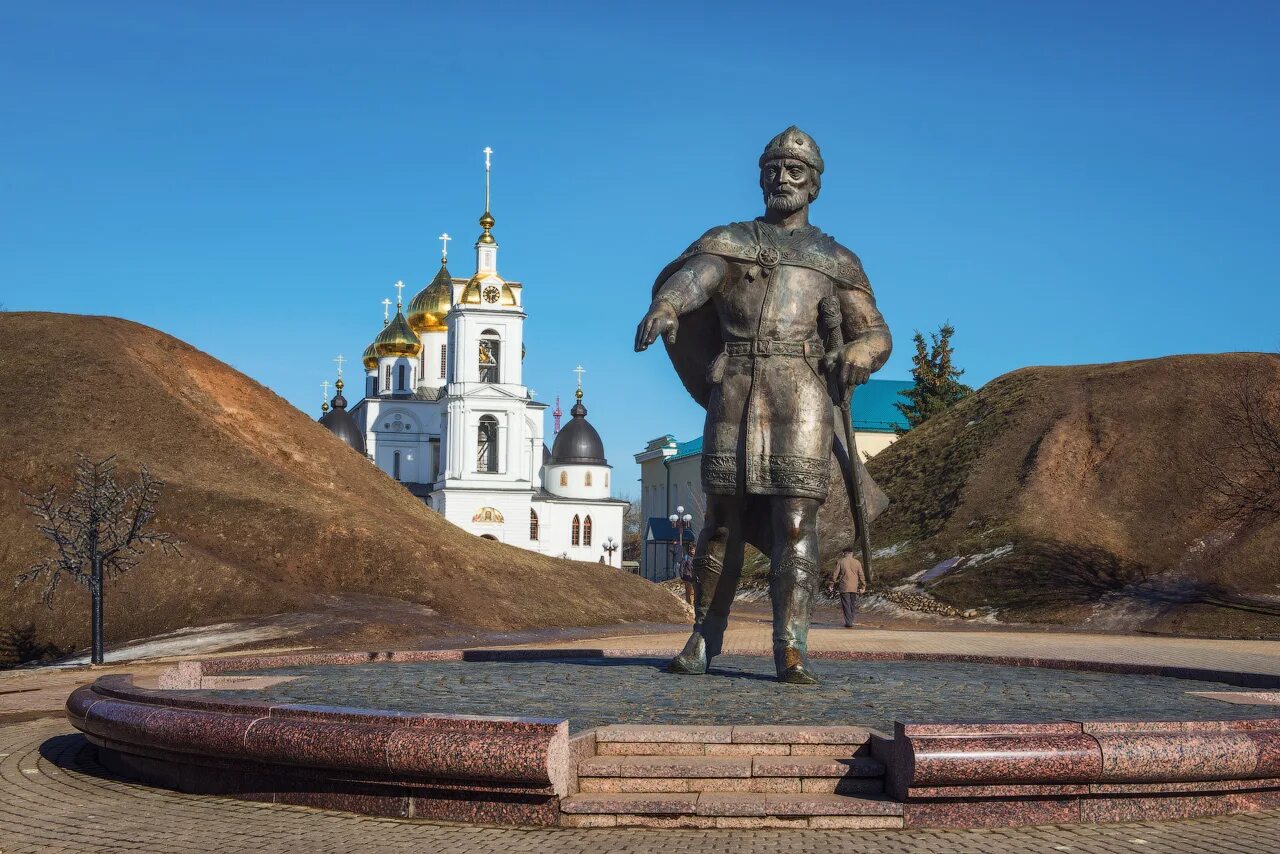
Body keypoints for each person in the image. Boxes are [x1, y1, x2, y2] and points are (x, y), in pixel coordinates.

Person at [635, 127, 892, 683]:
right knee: (721, 521)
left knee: (796, 522)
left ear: (815, 185)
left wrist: (857, 356)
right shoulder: (730, 240)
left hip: (801, 395)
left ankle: (791, 646)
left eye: (795, 170)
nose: (782, 179)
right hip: (736, 391)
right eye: (772, 169)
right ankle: (704, 638)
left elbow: (876, 333)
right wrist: (667, 306)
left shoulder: (834, 259)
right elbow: (695, 278)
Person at [827, 547, 867, 628]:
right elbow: (861, 575)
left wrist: (831, 584)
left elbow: (835, 574)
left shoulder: (840, 561)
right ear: (852, 553)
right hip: (854, 587)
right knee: (852, 604)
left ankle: (849, 622)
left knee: (846, 605)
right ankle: (851, 620)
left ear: (843, 553)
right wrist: (863, 586)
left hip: (844, 587)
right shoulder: (857, 562)